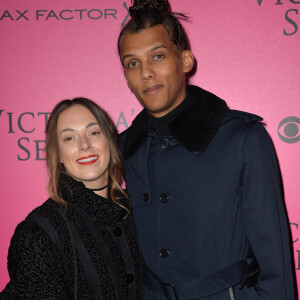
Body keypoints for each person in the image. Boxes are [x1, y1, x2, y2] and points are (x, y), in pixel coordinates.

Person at [118, 0, 295, 299]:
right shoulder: (123, 148)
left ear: (185, 61)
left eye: (157, 56)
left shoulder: (243, 138)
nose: (145, 72)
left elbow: (274, 262)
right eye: (132, 63)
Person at [0, 98, 143, 299]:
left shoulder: (140, 211)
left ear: (109, 142)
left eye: (93, 133)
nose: (84, 145)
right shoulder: (39, 232)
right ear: (56, 153)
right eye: (69, 138)